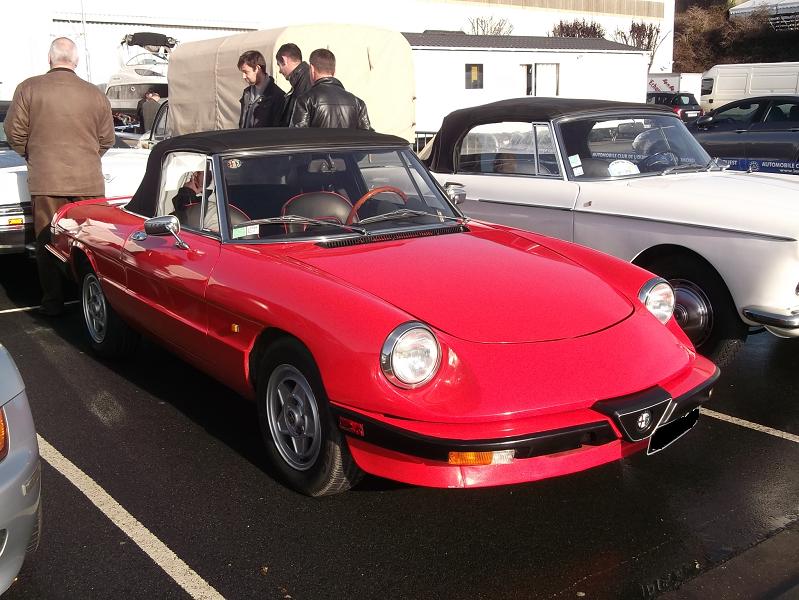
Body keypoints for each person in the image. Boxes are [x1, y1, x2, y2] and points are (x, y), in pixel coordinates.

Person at [4, 37, 115, 316]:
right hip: (89, 181)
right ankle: (94, 301)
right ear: (75, 61)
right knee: (91, 242)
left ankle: (53, 302)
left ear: (50, 59)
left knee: (47, 241)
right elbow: (107, 138)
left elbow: (14, 132)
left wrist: (35, 156)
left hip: (46, 180)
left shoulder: (28, 88)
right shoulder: (95, 94)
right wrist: (87, 158)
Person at [290, 48, 371, 130]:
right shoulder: (358, 103)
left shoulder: (305, 100)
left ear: (312, 69)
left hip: (318, 143)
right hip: (348, 143)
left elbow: (296, 137)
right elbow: (368, 136)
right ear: (334, 71)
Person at [237, 50, 285, 128]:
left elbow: (276, 132)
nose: (243, 76)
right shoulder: (247, 93)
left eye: (246, 72)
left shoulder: (278, 96)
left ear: (257, 68)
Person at [275, 43, 312, 126]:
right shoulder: (303, 80)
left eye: (279, 65)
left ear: (284, 60)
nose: (280, 71)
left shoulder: (304, 82)